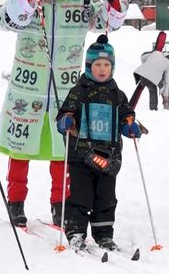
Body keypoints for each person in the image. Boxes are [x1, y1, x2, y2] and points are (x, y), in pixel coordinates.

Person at [0, 0, 127, 227]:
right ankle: (15, 201)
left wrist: (114, 2)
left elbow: (111, 23)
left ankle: (60, 203)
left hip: (66, 89)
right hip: (28, 86)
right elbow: (7, 21)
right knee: (20, 146)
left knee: (63, 149)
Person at [55, 35, 138, 252]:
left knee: (106, 198)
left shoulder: (117, 95)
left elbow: (126, 116)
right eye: (98, 65)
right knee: (81, 196)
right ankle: (76, 232)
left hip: (109, 157)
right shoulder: (78, 92)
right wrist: (66, 121)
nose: (102, 69)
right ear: (89, 66)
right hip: (81, 155)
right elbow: (64, 115)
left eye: (106, 65)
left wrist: (129, 126)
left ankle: (104, 235)